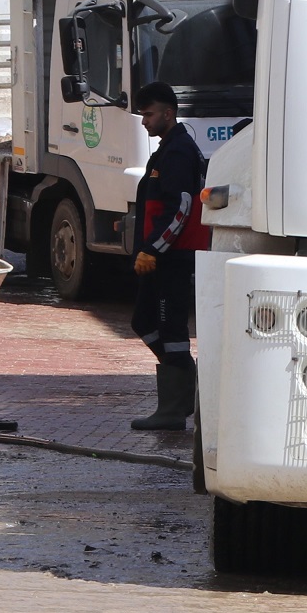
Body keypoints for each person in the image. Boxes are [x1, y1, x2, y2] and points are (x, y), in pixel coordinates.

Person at [129, 82, 205, 431]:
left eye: (148, 114)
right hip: (158, 256)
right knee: (143, 322)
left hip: (171, 259)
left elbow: (182, 206)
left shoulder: (178, 152)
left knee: (170, 329)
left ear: (168, 114)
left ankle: (174, 408)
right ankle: (187, 382)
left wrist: (153, 248)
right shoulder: (166, 150)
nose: (144, 121)